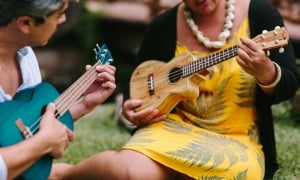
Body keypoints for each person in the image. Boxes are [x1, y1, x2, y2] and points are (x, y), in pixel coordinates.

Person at [50, 0, 300, 179]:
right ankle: (68, 174)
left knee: (240, 174)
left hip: (237, 137)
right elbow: (137, 84)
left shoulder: (261, 15)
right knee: (130, 171)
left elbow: (288, 82)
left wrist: (266, 71)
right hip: (173, 128)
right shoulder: (163, 25)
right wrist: (132, 110)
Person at [0, 0, 116, 179]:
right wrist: (43, 143)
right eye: (58, 14)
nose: (63, 20)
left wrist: (81, 106)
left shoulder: (25, 56)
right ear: (25, 23)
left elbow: (19, 126)